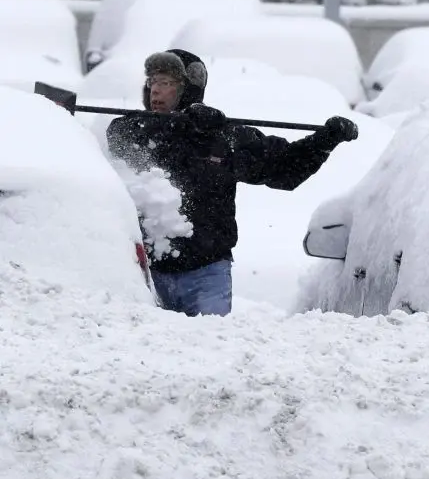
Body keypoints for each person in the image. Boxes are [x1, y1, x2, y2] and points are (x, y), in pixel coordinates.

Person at [107, 48, 359, 317]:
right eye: (153, 82)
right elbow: (114, 135)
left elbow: (285, 168)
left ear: (188, 89)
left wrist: (324, 141)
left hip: (207, 276)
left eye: (167, 83)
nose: (156, 91)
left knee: (209, 348)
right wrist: (182, 125)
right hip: (146, 273)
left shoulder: (222, 140)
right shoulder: (135, 132)